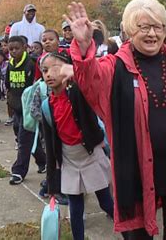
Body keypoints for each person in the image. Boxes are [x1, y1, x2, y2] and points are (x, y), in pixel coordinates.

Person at [65, 0, 166, 239]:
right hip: (136, 168)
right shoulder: (115, 65)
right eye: (143, 27)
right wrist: (85, 45)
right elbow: (90, 80)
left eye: (158, 27)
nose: (152, 34)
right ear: (129, 31)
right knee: (138, 235)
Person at [41, 51, 114, 240]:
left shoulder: (79, 93)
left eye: (54, 68)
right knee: (75, 208)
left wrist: (76, 70)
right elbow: (50, 146)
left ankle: (131, 233)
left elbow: (88, 80)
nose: (49, 74)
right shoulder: (46, 106)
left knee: (106, 202)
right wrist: (52, 183)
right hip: (69, 159)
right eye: (44, 70)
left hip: (90, 155)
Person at [6, 36, 46, 185]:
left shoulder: (31, 63)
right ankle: (43, 161)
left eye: (17, 48)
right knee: (22, 135)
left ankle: (18, 170)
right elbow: (8, 84)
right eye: (11, 49)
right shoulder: (10, 65)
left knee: (24, 139)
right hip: (16, 107)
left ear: (24, 47)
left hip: (29, 109)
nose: (14, 51)